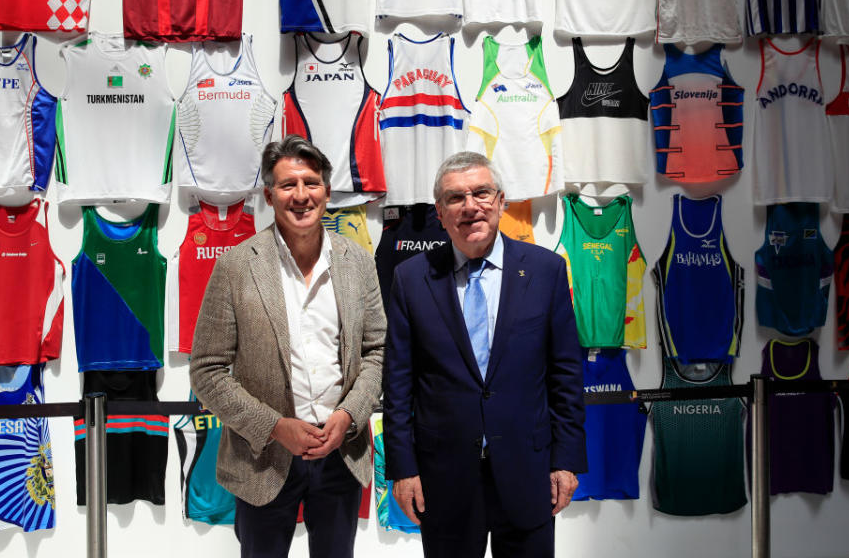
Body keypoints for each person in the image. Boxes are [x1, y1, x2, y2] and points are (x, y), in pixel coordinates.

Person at [189, 136, 386, 558]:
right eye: (287, 185)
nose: (301, 195)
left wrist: (349, 414)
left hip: (341, 454)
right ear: (268, 195)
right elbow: (206, 370)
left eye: (311, 183)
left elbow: (377, 352)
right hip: (263, 458)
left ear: (327, 192)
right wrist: (275, 427)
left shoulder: (358, 261)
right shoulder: (236, 265)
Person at [382, 152, 586, 558]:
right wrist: (403, 469)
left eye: (481, 193)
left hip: (528, 473)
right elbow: (399, 382)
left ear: (501, 201)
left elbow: (565, 373)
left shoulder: (546, 271)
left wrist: (566, 460)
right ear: (439, 212)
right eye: (455, 198)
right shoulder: (410, 278)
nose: (470, 206)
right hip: (444, 477)